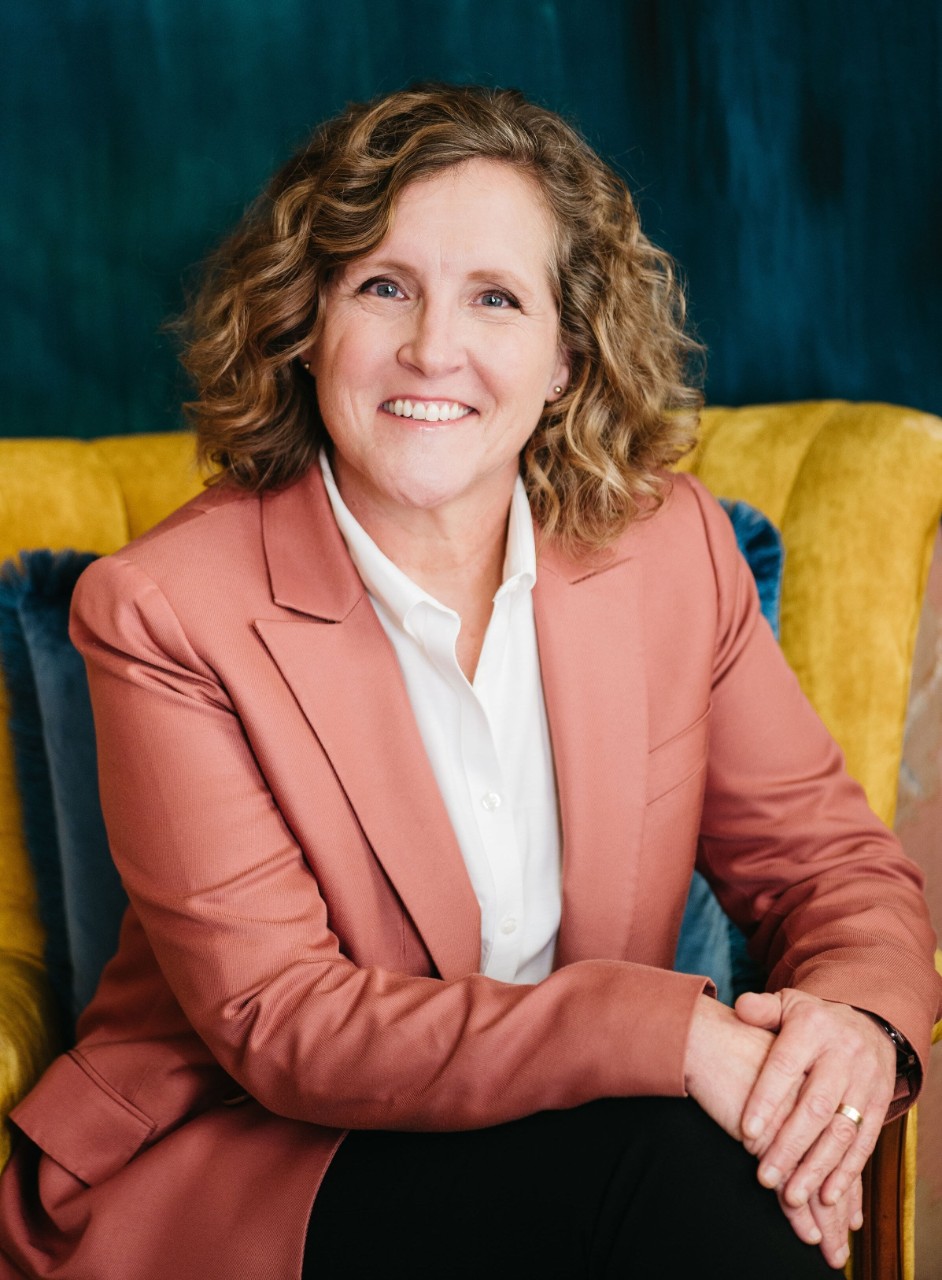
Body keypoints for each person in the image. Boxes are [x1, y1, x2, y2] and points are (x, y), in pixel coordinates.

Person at [0, 83, 938, 1280]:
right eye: (384, 286)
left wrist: (851, 1031)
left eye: (495, 298)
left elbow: (828, 866)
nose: (433, 347)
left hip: (604, 1136)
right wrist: (671, 1038)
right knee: (678, 1163)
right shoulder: (166, 609)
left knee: (710, 1161)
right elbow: (285, 1023)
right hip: (250, 1161)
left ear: (564, 356)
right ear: (307, 320)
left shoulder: (668, 547)